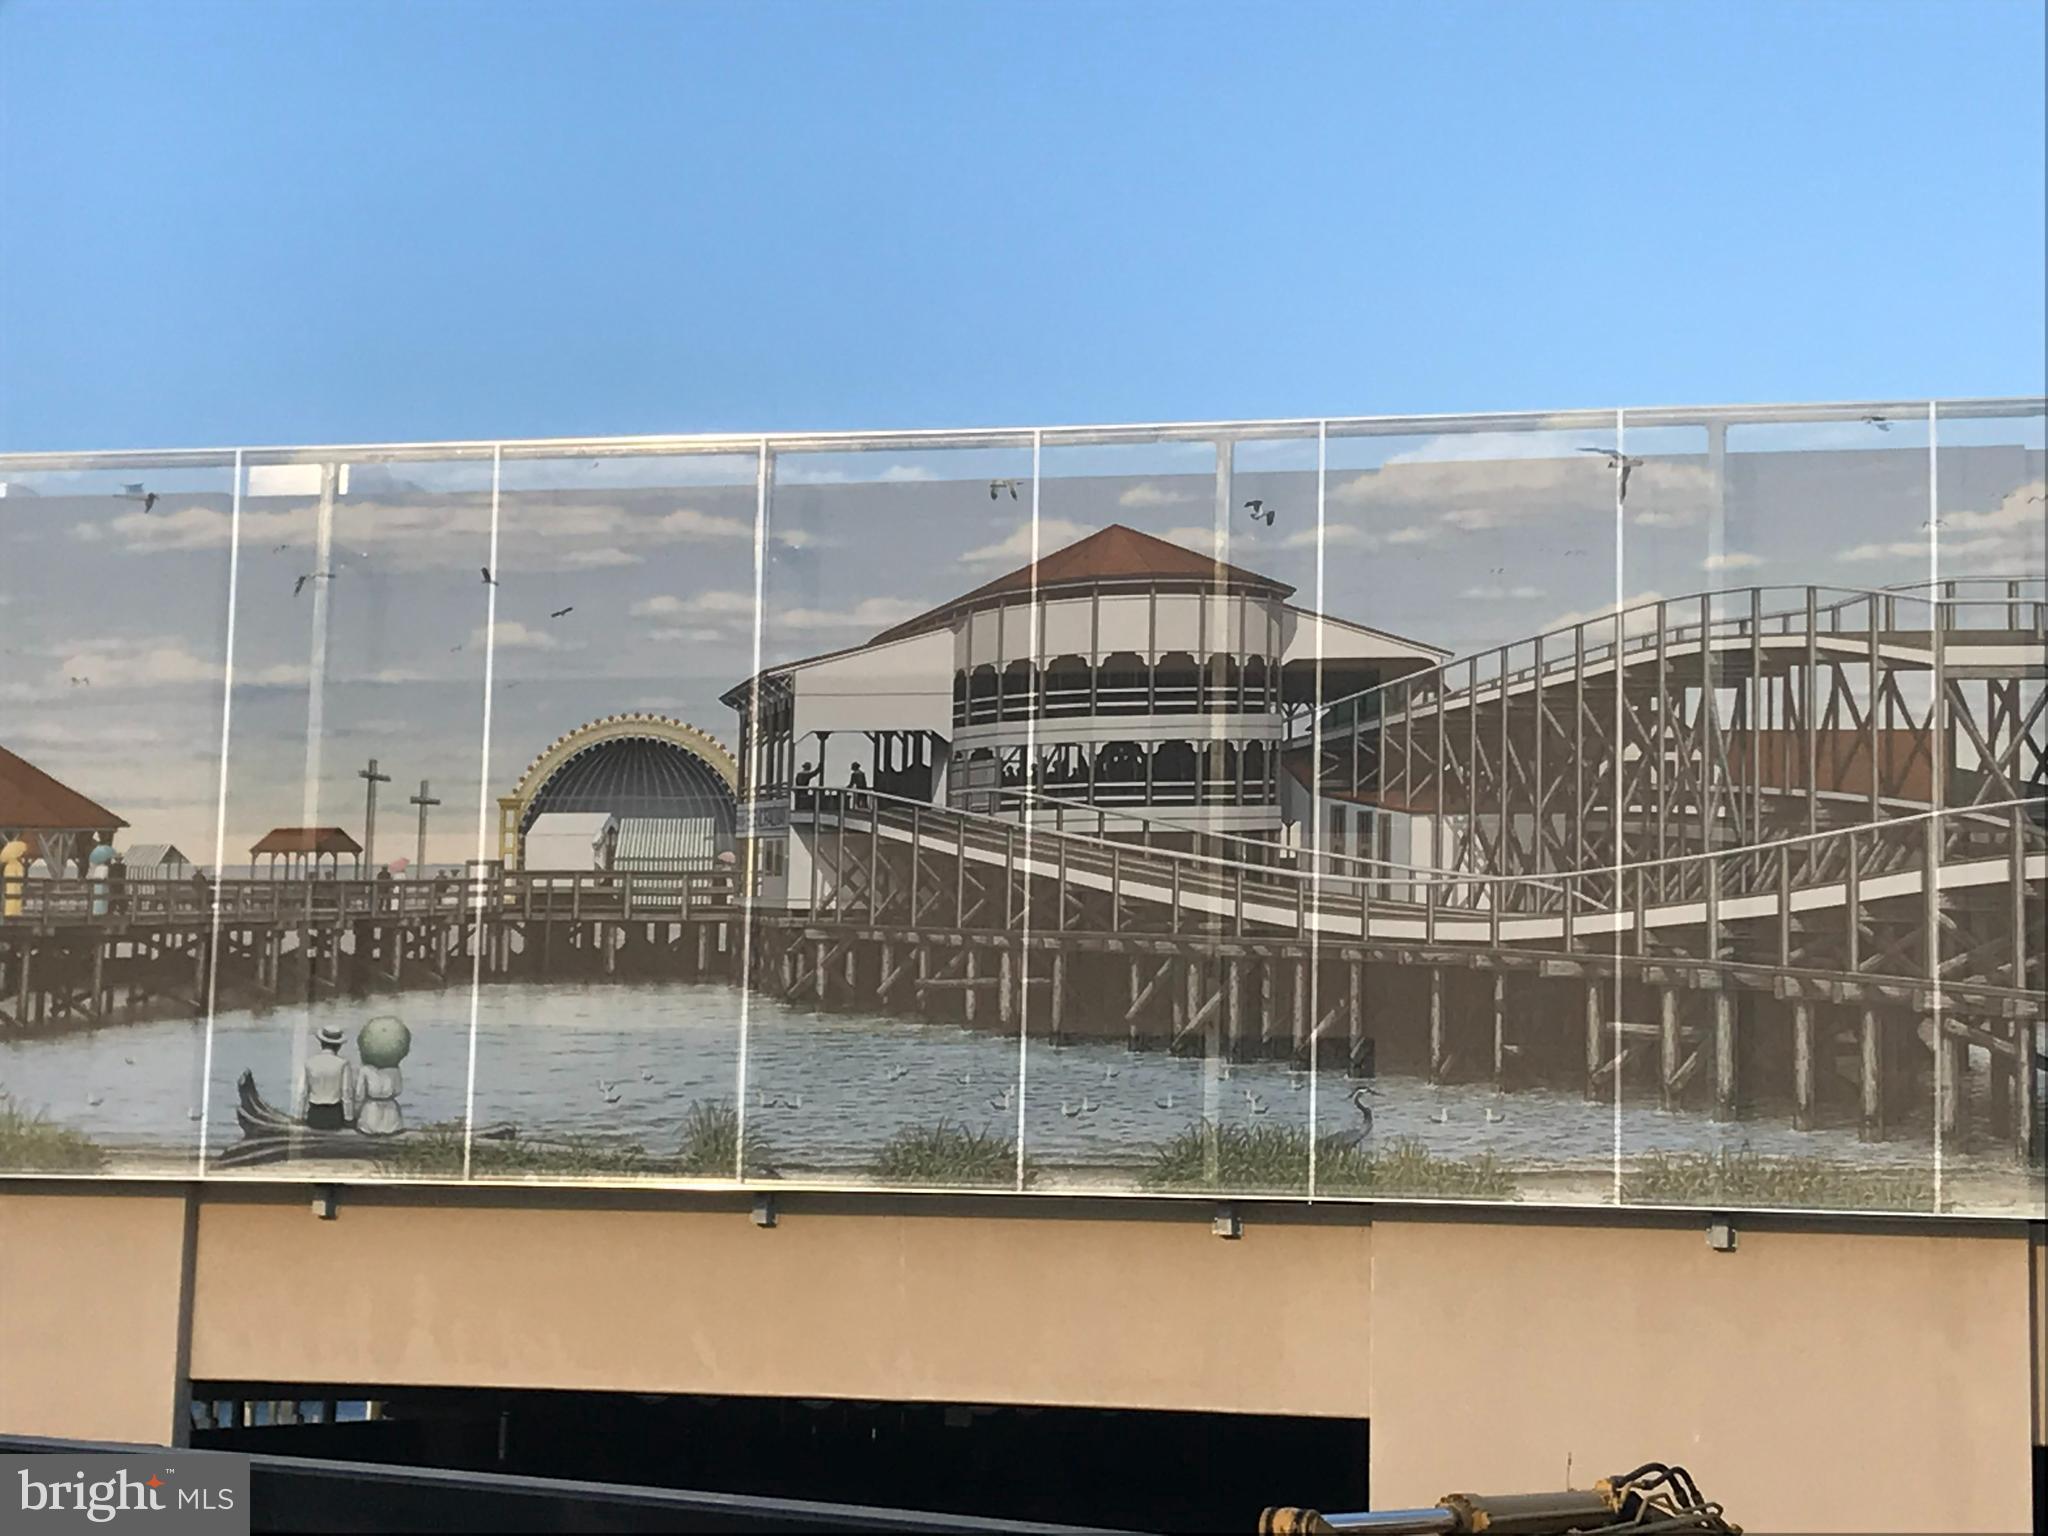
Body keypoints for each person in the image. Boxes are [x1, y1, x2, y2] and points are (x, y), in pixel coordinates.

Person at [352, 1015, 412, 1137]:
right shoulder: (395, 1070)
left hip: (370, 1114)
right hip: (391, 1116)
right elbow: (398, 1091)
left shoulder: (366, 1070)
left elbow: (359, 1095)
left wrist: (354, 1114)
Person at [299, 1024, 357, 1132]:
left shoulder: (309, 1063)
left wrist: (300, 1116)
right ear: (339, 1046)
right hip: (334, 1116)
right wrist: (349, 1119)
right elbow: (346, 1093)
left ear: (321, 1043)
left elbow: (303, 1093)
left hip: (314, 1116)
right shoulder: (343, 1064)